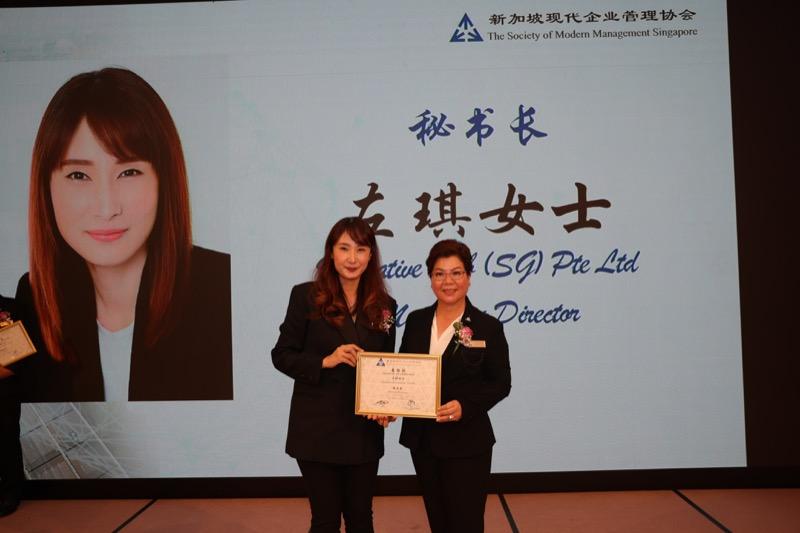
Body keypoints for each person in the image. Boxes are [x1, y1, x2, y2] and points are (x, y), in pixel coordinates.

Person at [14, 67, 232, 402]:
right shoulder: (35, 296)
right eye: (78, 175)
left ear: (164, 180)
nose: (106, 208)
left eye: (129, 172)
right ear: (47, 188)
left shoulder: (220, 285)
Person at [272, 217, 396, 533]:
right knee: (325, 521)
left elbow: (387, 366)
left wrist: (388, 405)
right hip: (317, 430)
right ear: (331, 252)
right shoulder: (305, 296)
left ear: (371, 255)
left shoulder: (385, 307)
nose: (352, 258)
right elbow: (282, 355)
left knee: (361, 518)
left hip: (363, 431)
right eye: (344, 248)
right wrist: (326, 361)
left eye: (361, 249)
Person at [399, 239, 511, 533]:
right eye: (439, 274)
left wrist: (466, 406)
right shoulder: (416, 321)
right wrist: (386, 403)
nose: (447, 282)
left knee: (466, 523)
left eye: (456, 273)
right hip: (423, 441)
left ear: (469, 277)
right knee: (438, 522)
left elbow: (501, 383)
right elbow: (403, 373)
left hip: (467, 442)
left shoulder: (487, 326)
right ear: (430, 278)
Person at [0, 294, 24, 517]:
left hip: (4, 390)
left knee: (6, 440)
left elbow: (14, 358)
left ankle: (10, 493)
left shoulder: (7, 309)